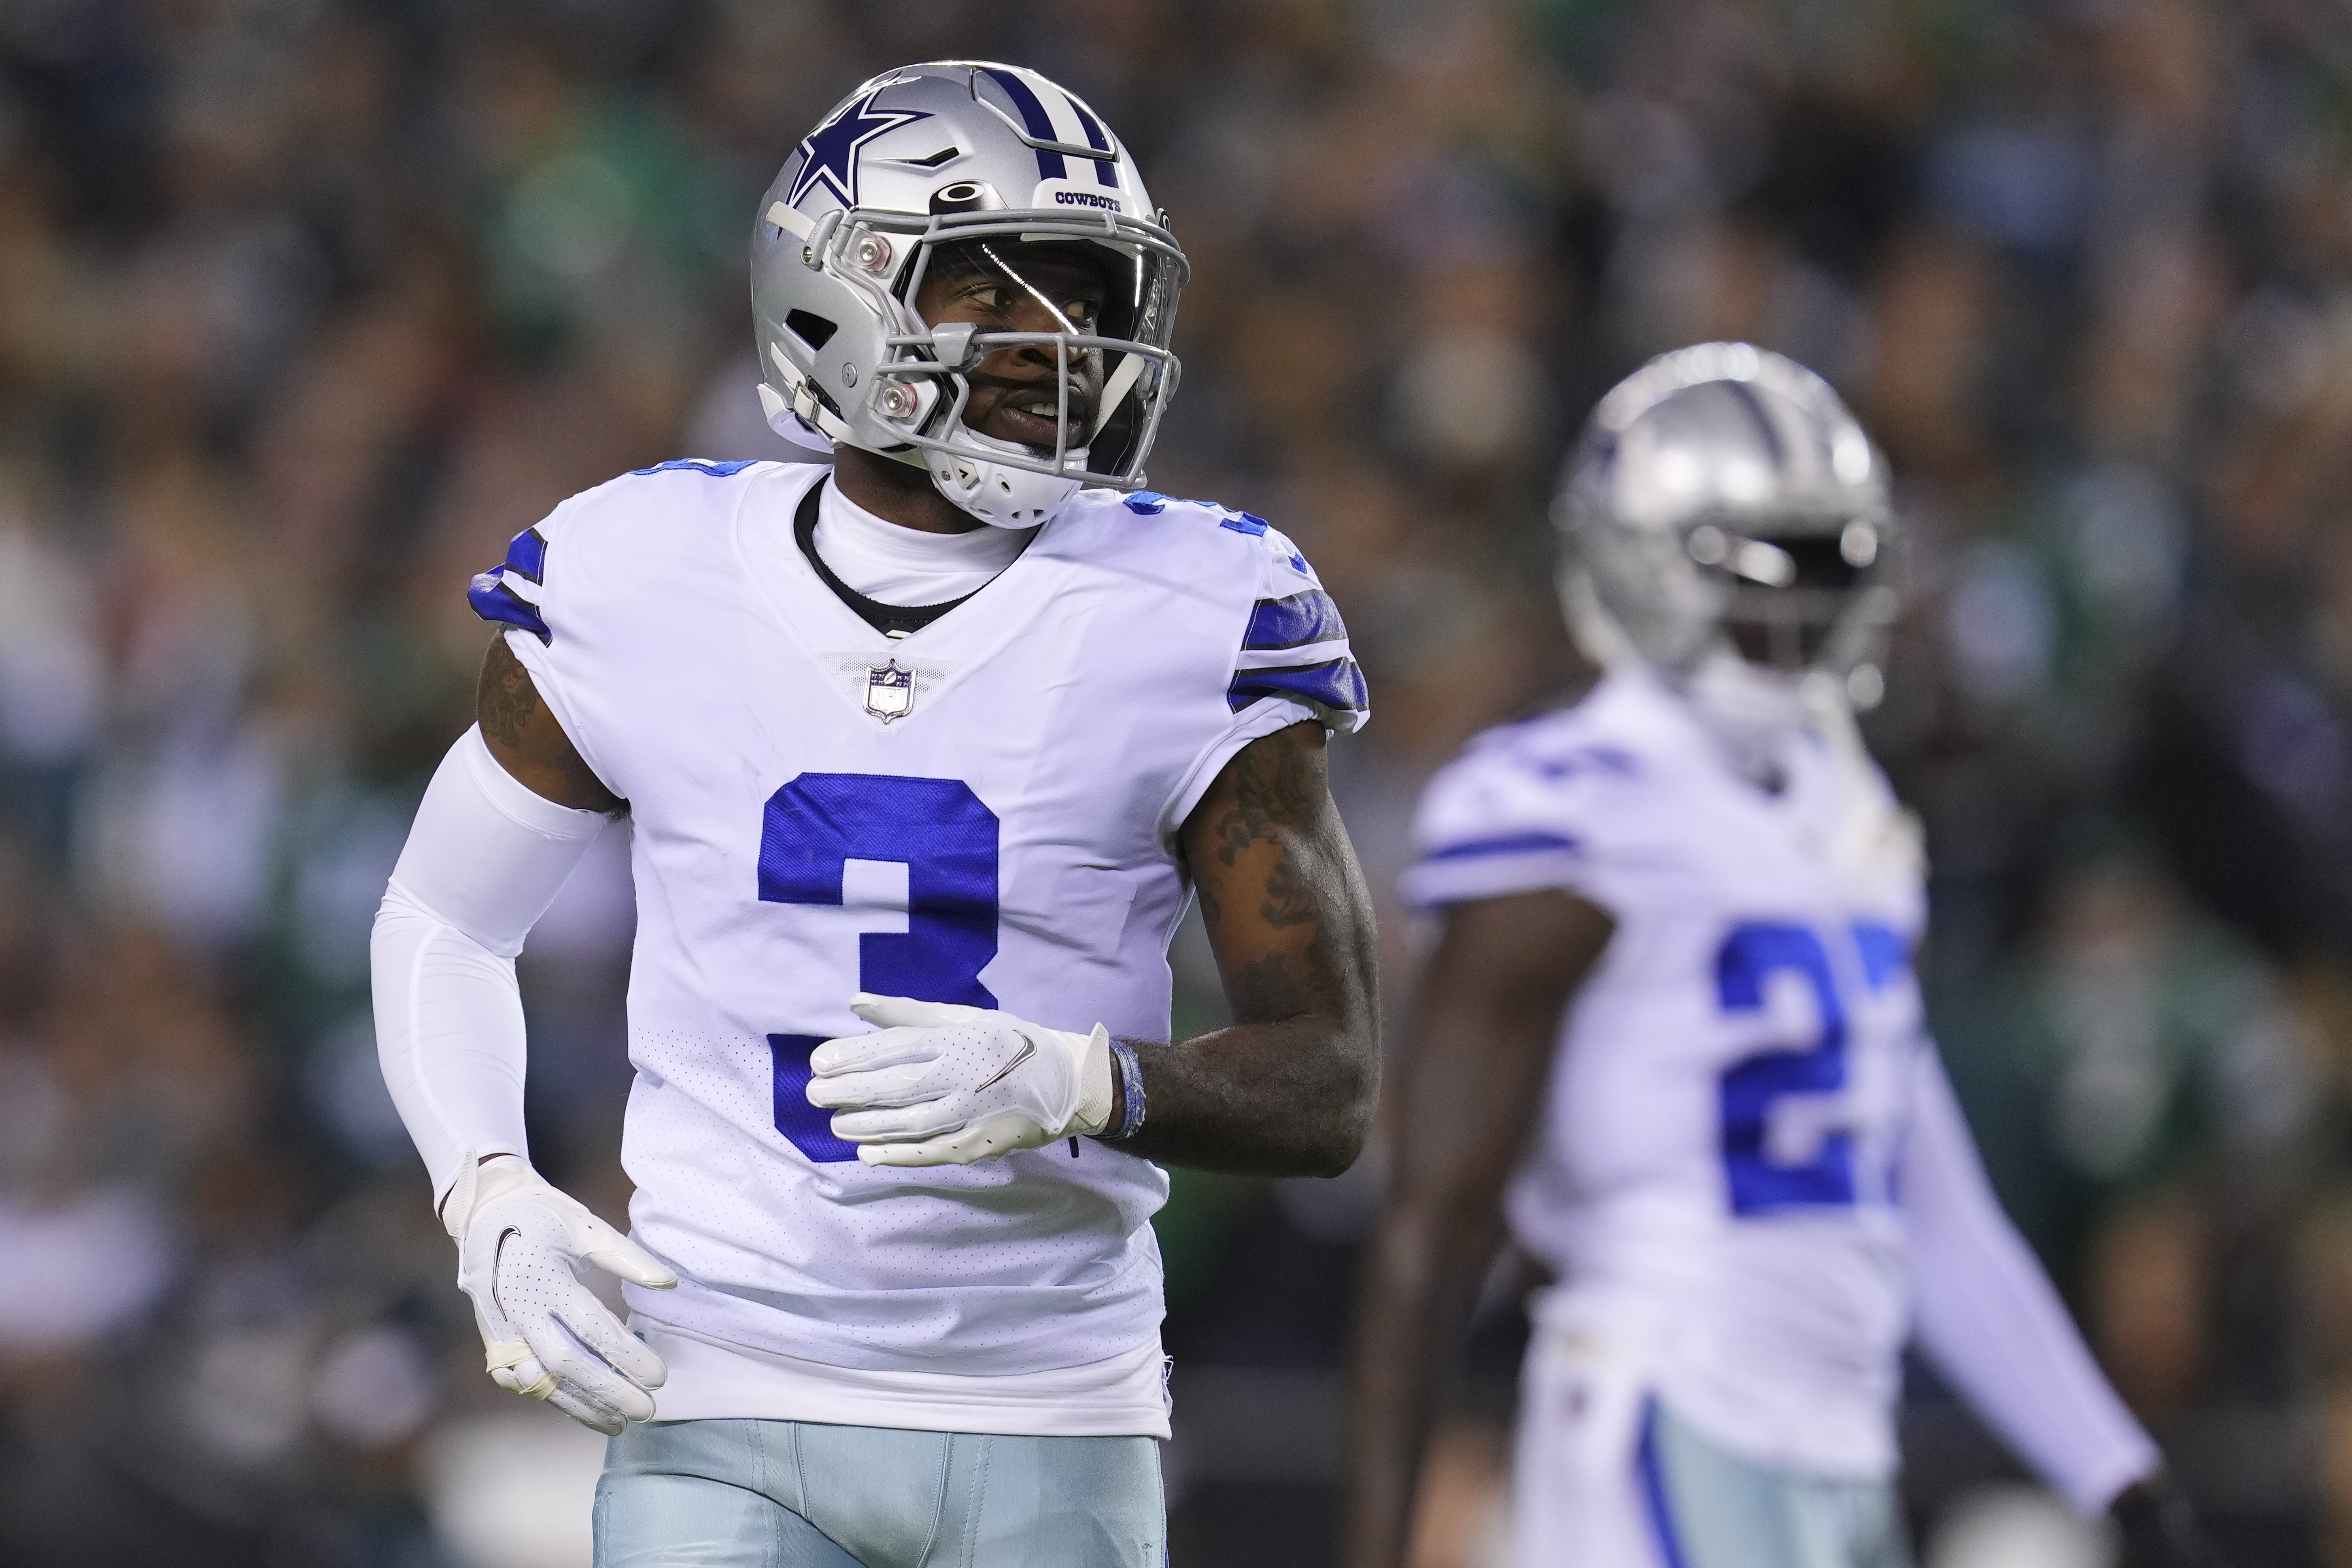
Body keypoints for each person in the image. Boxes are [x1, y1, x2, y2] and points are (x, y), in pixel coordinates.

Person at [371, 62, 1380, 1568]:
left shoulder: (1199, 609)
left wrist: (1085, 1079)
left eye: (1090, 290)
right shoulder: (638, 573)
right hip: (709, 1389)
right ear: (833, 302)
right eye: (1001, 287)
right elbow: (446, 920)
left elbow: (1330, 1080)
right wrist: (486, 1187)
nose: (1065, 341)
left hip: (1053, 1406)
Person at [1343, 344, 2220, 1568]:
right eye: (1769, 572)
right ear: (1644, 570)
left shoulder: (1837, 804)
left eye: (1830, 567)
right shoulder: (1568, 805)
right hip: (1666, 1390)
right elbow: (1431, 1228)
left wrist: (2118, 1474)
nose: (1804, 610)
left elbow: (1929, 1206)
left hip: (1835, 1431)